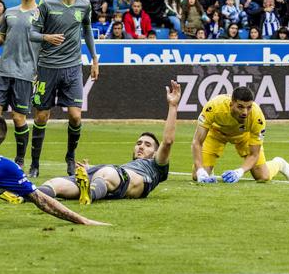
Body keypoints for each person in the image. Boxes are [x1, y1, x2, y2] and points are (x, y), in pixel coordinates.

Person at [32, 80, 180, 205]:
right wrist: (92, 168)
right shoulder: (127, 166)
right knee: (55, 183)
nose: (141, 146)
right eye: (139, 143)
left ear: (155, 153)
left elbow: (167, 141)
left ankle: (88, 193)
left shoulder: (156, 167)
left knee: (107, 174)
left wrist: (173, 106)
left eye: (147, 145)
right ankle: (23, 194)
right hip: (106, 174)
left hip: (117, 176)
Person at [29, 0, 100, 178]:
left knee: (75, 116)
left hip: (72, 68)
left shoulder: (84, 5)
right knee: (41, 116)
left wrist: (94, 59)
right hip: (47, 68)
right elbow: (32, 33)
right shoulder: (47, 3)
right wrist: (47, 37)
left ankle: (70, 157)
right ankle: (34, 164)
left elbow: (87, 30)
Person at [0, 0, 53, 168]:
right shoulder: (9, 13)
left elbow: (48, 45)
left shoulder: (43, 15)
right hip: (3, 70)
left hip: (25, 73)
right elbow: (1, 41)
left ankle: (20, 159)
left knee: (18, 118)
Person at [191, 86, 289, 184]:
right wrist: (200, 170)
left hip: (243, 136)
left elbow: (254, 154)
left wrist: (239, 172)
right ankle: (208, 169)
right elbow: (197, 142)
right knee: (197, 176)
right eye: (240, 107)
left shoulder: (257, 117)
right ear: (231, 104)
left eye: (249, 107)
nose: (245, 112)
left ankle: (279, 163)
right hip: (216, 134)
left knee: (262, 176)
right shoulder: (214, 107)